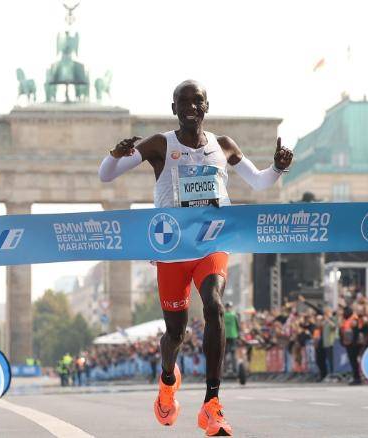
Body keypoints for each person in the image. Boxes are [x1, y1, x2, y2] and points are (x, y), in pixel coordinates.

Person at [99, 79, 292, 436]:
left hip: (211, 243)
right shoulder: (161, 144)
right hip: (172, 248)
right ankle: (168, 379)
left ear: (206, 105)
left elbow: (261, 183)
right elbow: (106, 176)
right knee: (176, 333)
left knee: (216, 305)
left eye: (197, 100)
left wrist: (278, 168)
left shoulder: (223, 145)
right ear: (174, 109)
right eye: (183, 101)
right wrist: (114, 155)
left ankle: (212, 404)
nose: (191, 106)